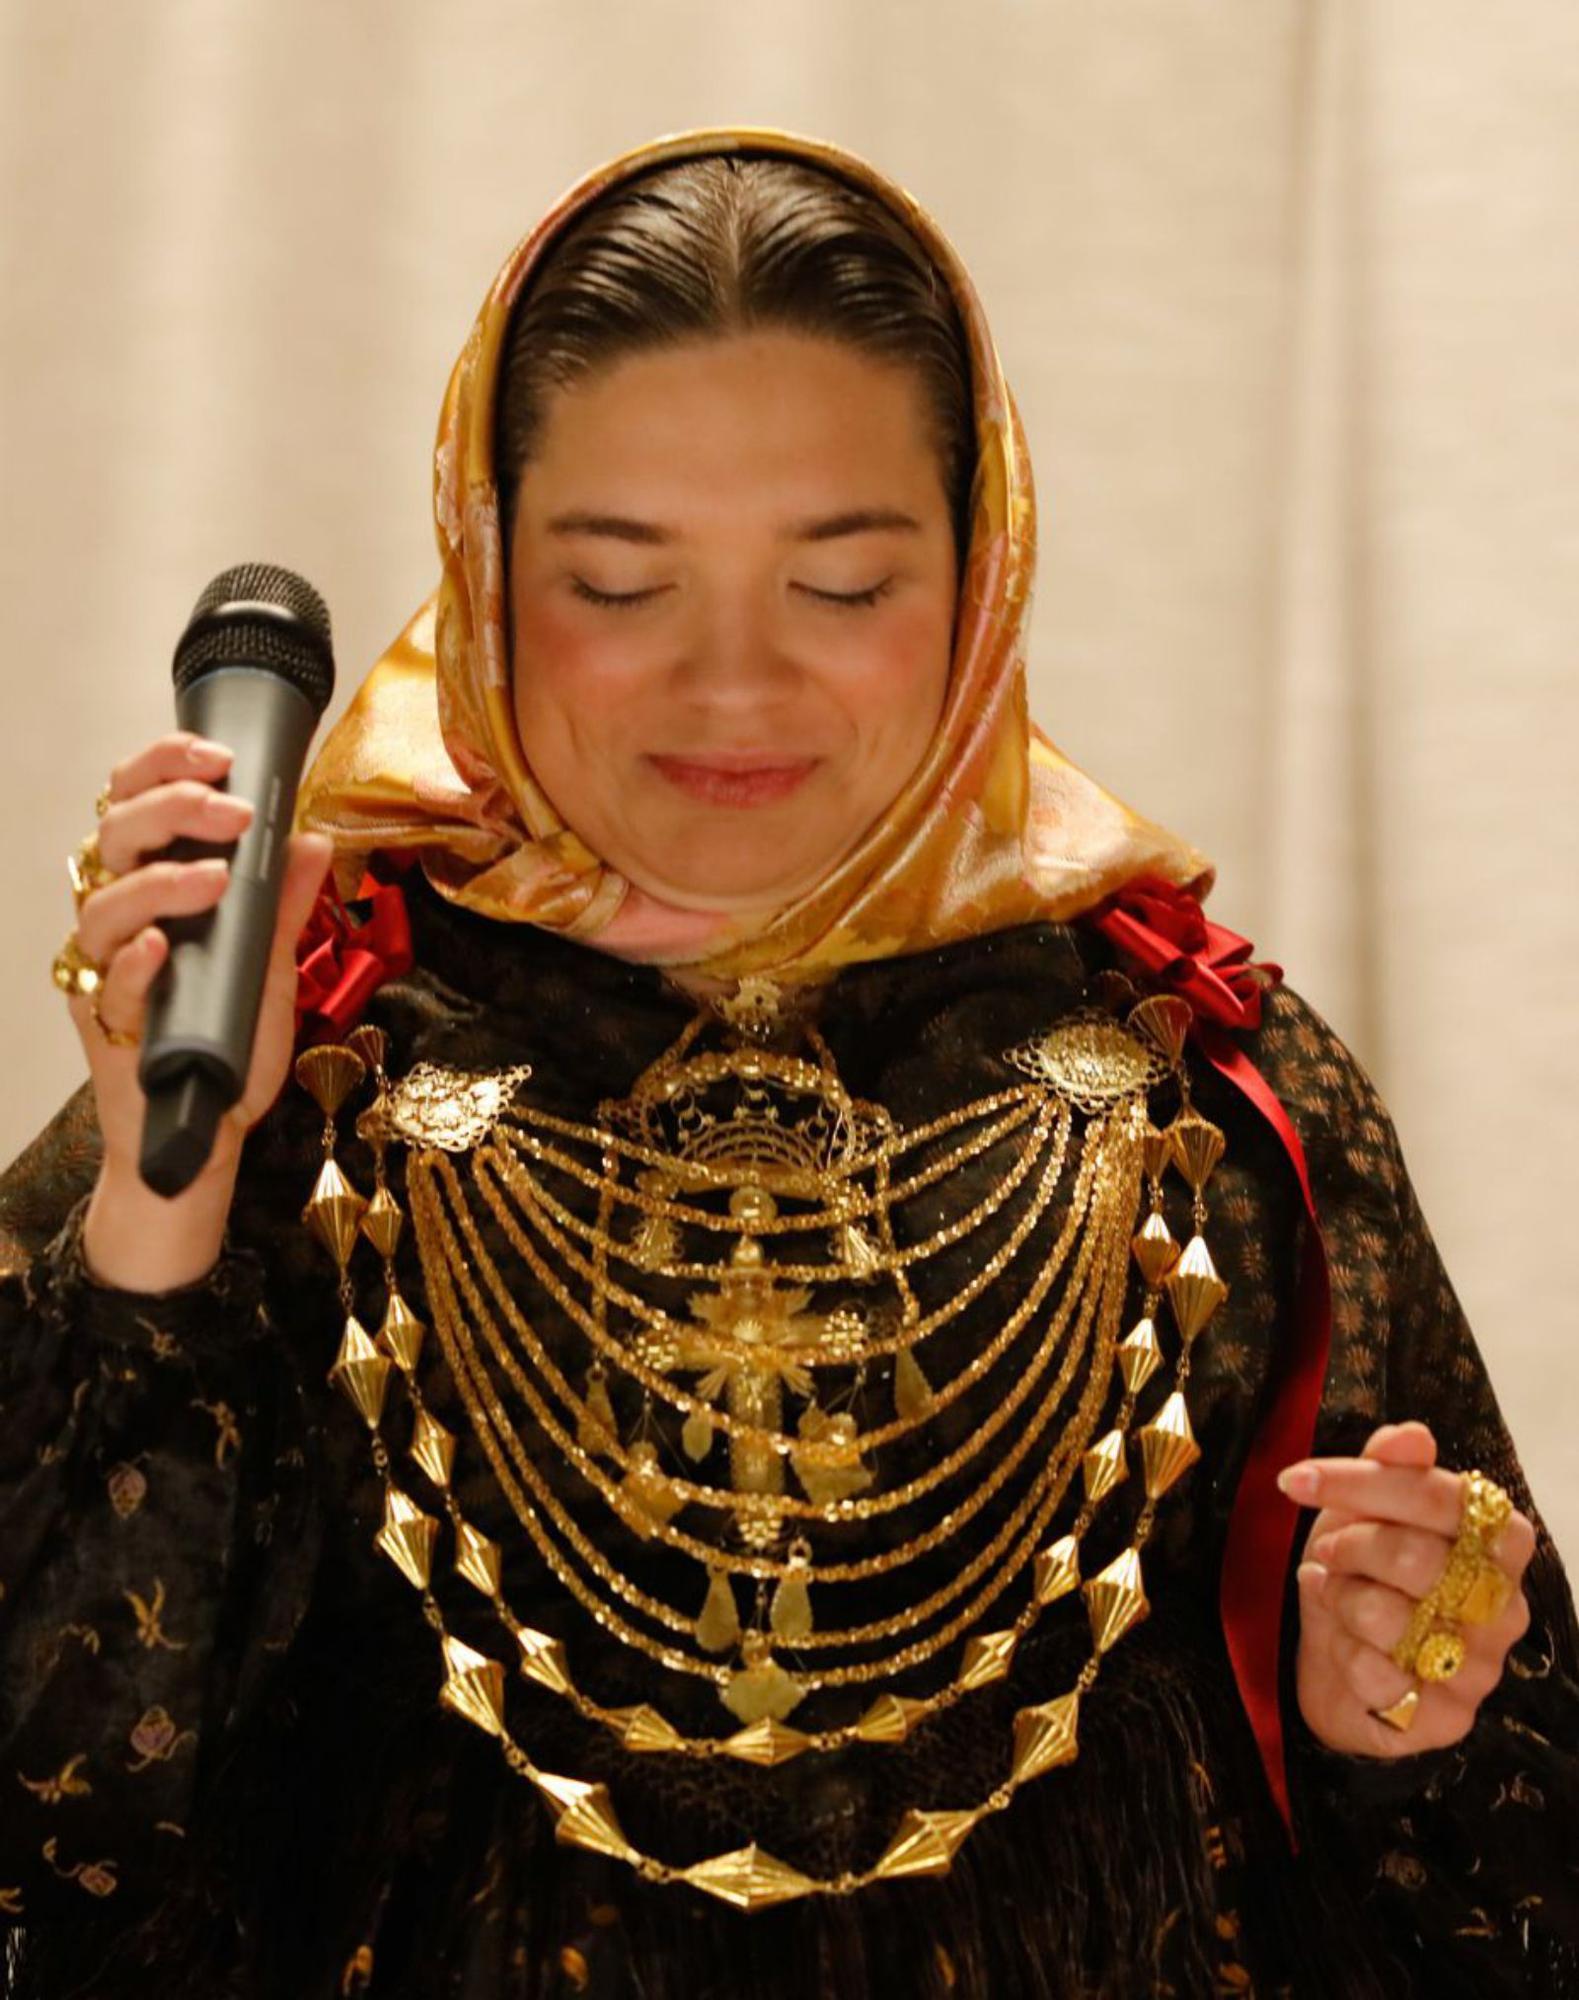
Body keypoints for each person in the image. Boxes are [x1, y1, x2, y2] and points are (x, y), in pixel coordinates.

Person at [3, 125, 1575, 1999]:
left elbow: (1516, 1875)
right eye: (616, 584)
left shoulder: (1204, 1085)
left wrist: (1388, 1720)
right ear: (487, 572)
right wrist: (155, 1207)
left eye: (839, 588)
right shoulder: (293, 1060)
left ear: (982, 576)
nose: (732, 688)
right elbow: (63, 1832)